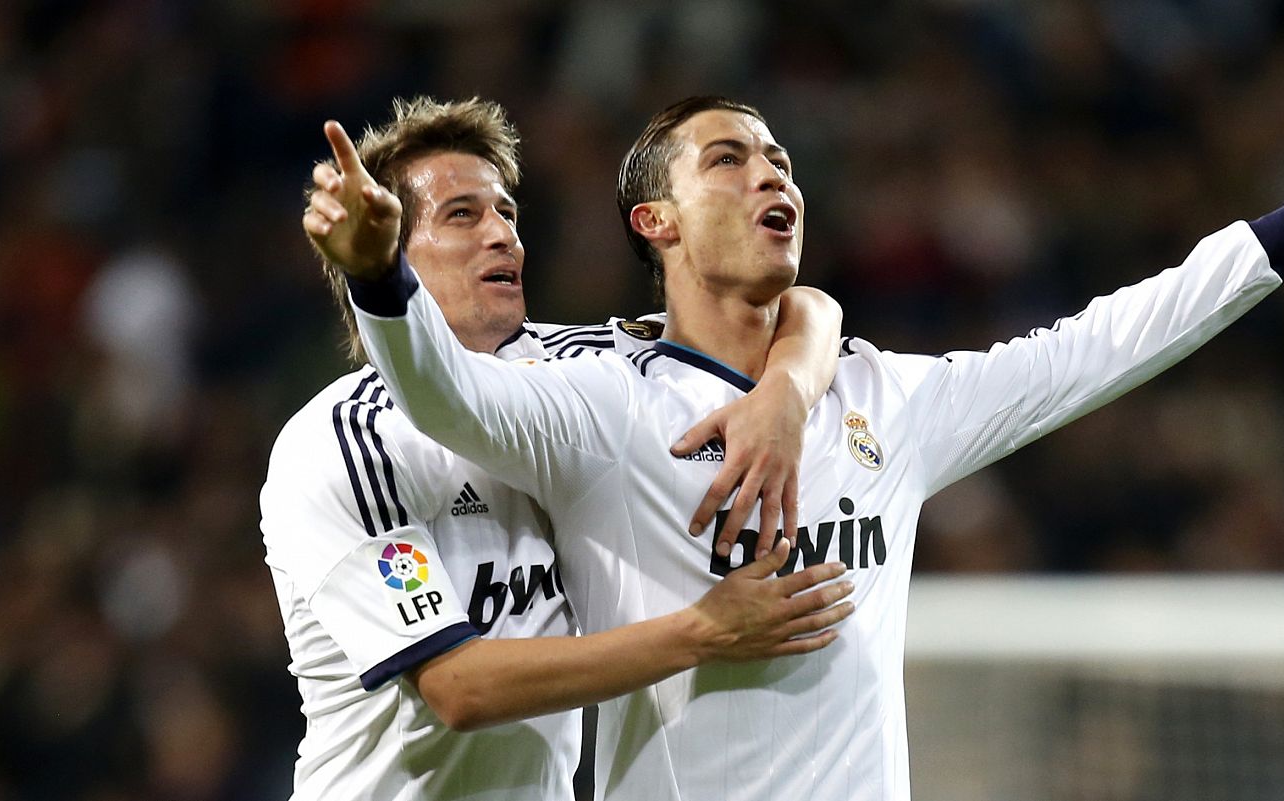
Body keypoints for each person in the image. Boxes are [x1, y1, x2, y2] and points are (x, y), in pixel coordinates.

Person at [314, 95, 1284, 800]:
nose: (770, 175)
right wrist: (379, 279)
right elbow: (444, 397)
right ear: (655, 223)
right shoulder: (598, 406)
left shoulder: (887, 399)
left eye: (780, 159)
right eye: (728, 160)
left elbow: (1097, 347)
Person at [264, 96, 856, 801]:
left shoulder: (583, 374)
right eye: (463, 215)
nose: (504, 237)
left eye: (508, 214)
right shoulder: (343, 441)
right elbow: (459, 688)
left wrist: (786, 390)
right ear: (387, 246)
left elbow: (799, 308)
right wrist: (702, 630)